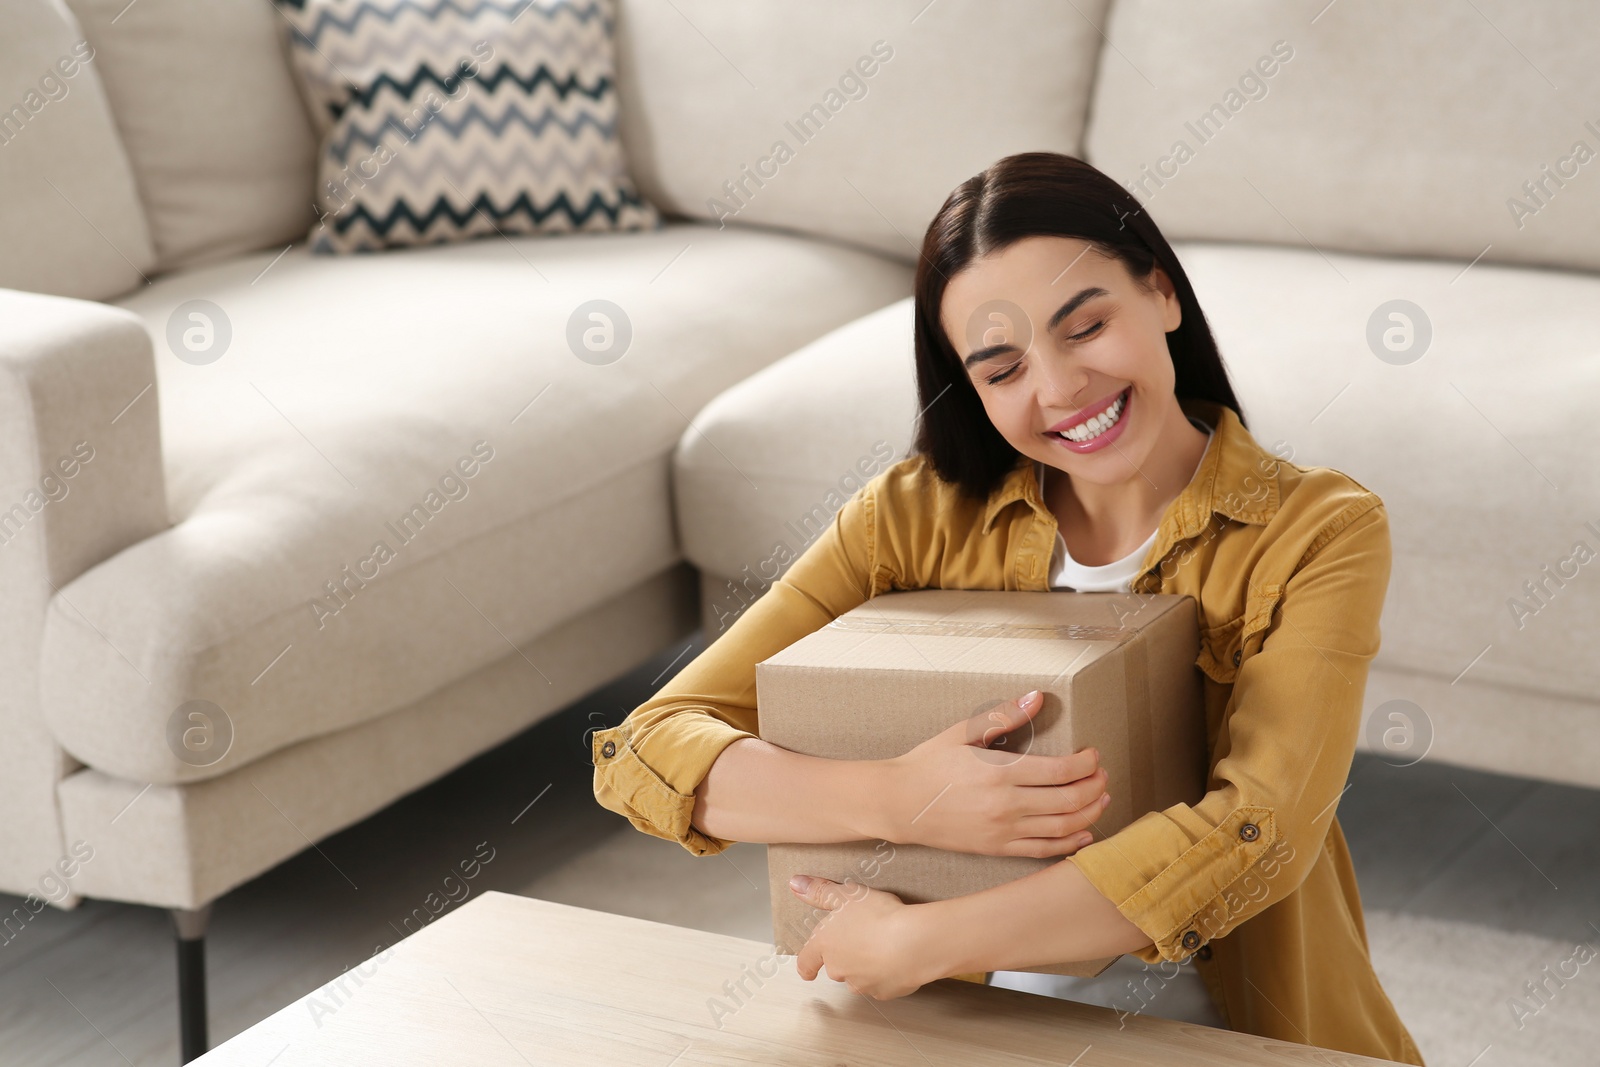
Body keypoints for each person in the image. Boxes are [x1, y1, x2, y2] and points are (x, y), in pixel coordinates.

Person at [591, 151, 1424, 1066]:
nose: (1059, 389)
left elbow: (1257, 834)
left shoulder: (1315, 530)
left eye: (1087, 325)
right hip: (955, 1024)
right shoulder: (911, 520)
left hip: (1225, 1025)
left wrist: (924, 940)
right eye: (1001, 368)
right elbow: (646, 749)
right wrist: (904, 800)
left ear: (1162, 293)